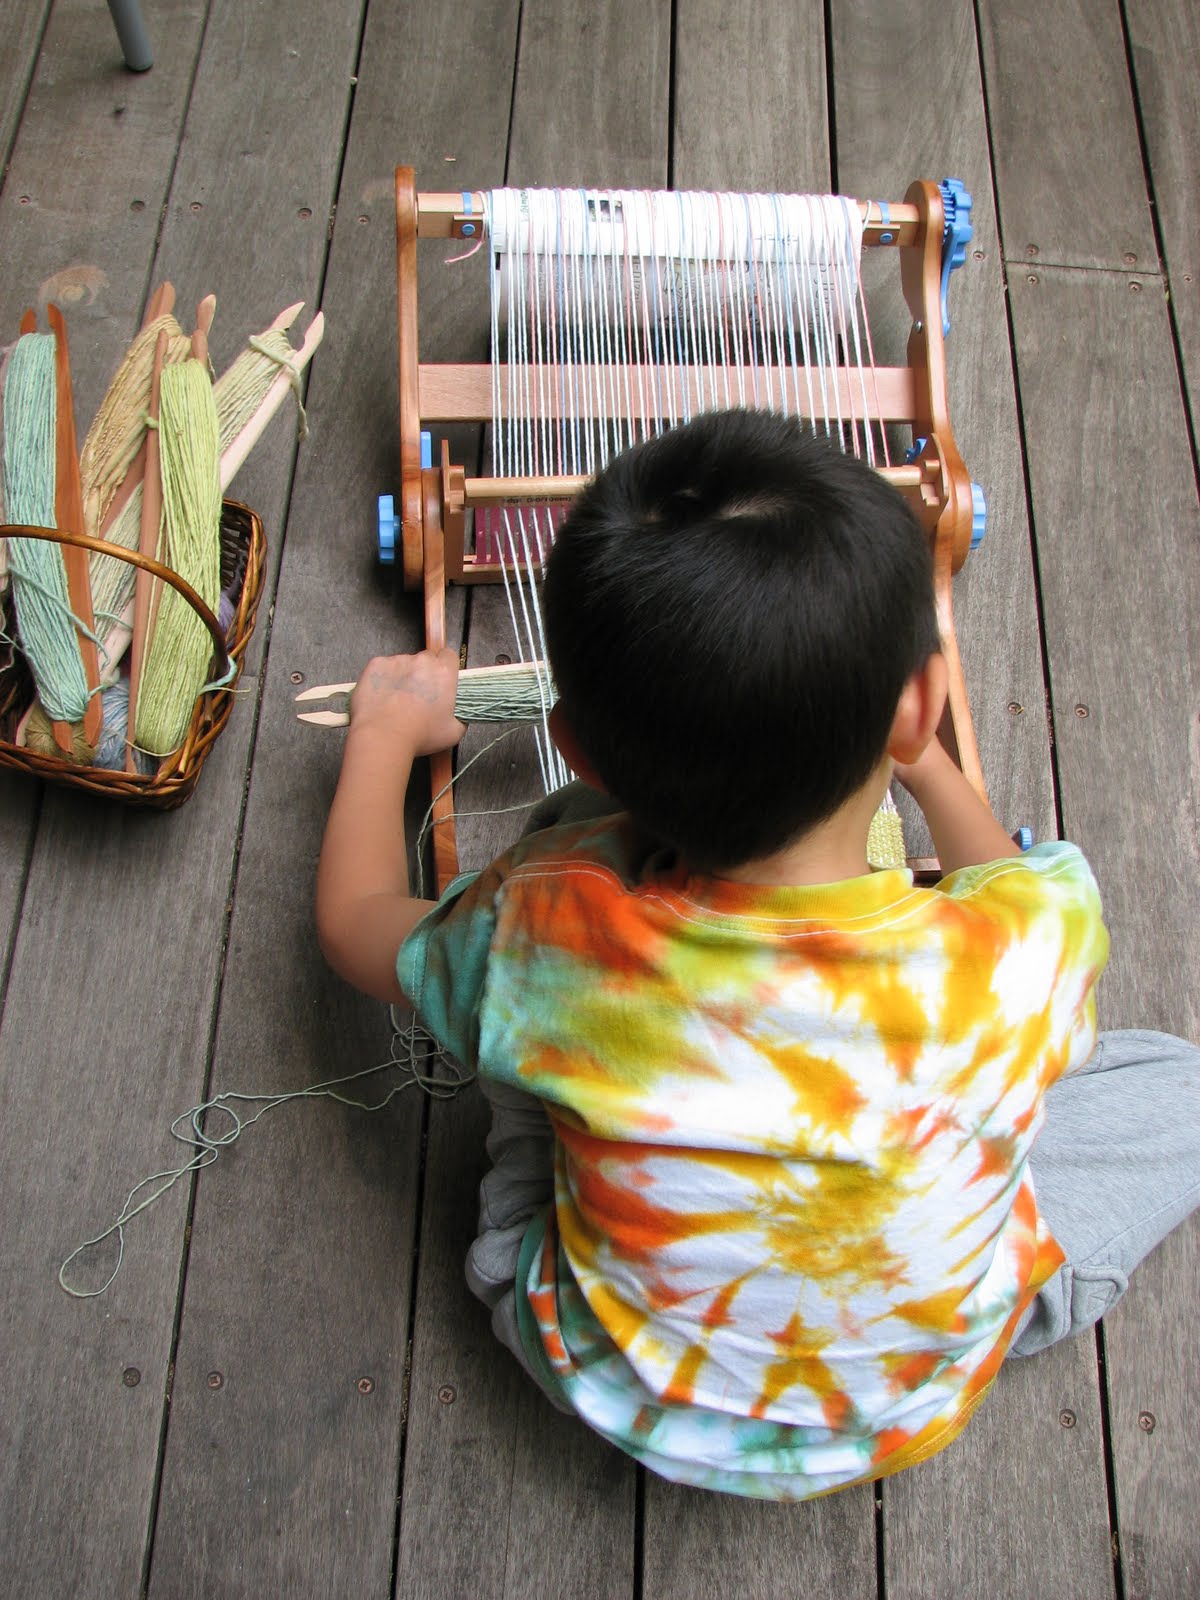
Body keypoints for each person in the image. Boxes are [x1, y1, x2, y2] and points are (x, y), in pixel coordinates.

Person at [316, 409, 1200, 1500]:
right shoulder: (1022, 944)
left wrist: (382, 736)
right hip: (916, 1394)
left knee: (537, 957)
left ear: (579, 743)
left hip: (618, 1383)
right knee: (1175, 1085)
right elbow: (1001, 877)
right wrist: (922, 767)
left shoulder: (546, 931)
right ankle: (968, 1307)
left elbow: (356, 919)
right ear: (917, 706)